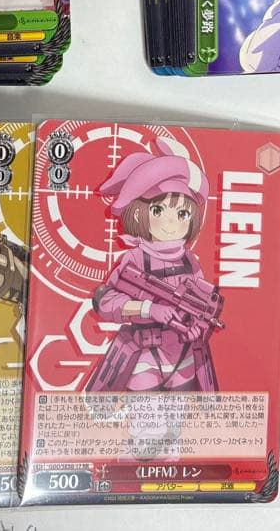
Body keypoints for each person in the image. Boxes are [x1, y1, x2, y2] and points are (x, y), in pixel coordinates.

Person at [87, 138, 218, 393]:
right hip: (143, 355)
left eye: (182, 214)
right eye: (158, 210)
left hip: (183, 356)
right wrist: (148, 309)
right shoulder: (135, 259)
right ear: (139, 214)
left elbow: (202, 306)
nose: (171, 222)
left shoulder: (189, 261)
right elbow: (106, 302)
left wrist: (196, 329)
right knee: (145, 414)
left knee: (177, 416)